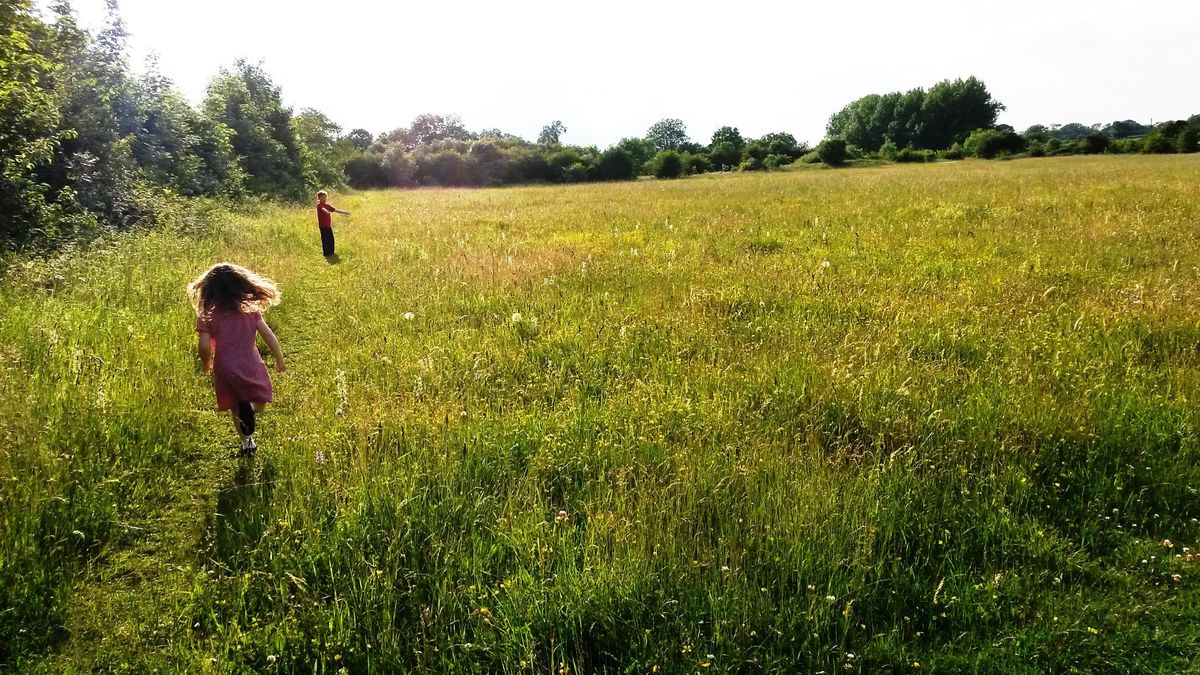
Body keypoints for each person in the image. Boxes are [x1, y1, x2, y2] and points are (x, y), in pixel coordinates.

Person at [188, 263, 286, 455]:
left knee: (235, 407)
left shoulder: (207, 316)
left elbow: (204, 345)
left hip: (224, 367)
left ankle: (247, 443)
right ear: (239, 285)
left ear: (209, 291)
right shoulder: (250, 312)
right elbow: (268, 335)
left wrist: (206, 363)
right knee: (260, 399)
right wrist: (279, 358)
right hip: (250, 363)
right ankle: (250, 407)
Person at [316, 190, 350, 257]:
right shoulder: (319, 205)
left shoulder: (328, 205)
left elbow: (335, 210)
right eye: (322, 197)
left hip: (328, 225)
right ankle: (326, 253)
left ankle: (331, 252)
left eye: (325, 197)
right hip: (323, 226)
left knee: (331, 239)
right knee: (325, 239)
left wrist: (345, 212)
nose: (324, 199)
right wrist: (326, 211)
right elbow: (323, 209)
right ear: (319, 198)